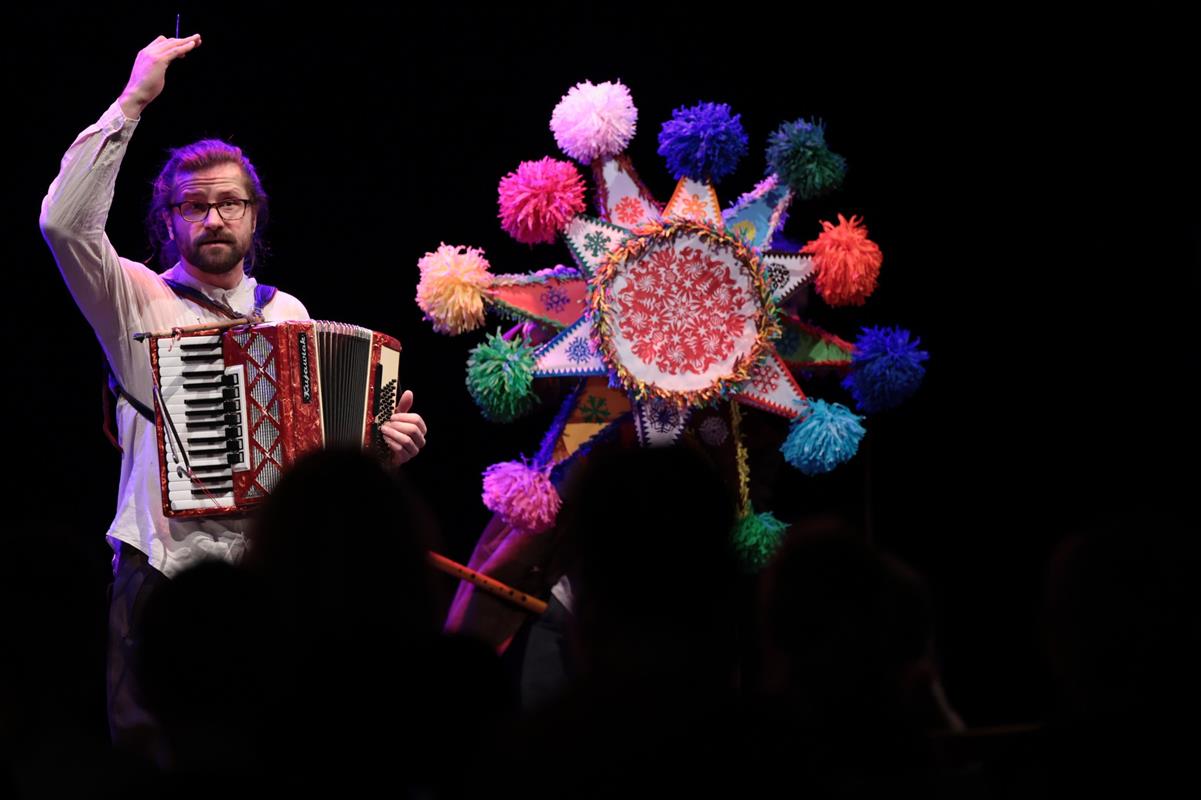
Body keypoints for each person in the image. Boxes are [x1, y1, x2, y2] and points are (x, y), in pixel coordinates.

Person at [39, 34, 428, 762]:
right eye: (193, 206)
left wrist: (380, 453)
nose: (213, 218)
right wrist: (133, 100)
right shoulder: (132, 298)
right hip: (162, 569)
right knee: (153, 757)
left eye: (229, 203)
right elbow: (63, 224)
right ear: (168, 220)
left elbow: (315, 462)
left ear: (255, 215)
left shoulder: (290, 314)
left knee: (277, 755)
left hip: (272, 578)